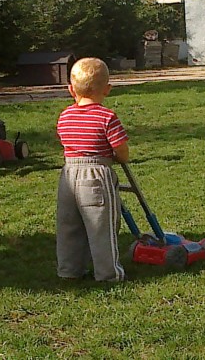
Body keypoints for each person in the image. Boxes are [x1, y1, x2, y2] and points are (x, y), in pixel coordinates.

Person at [56, 57, 129, 282]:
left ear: (71, 89)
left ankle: (69, 270)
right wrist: (119, 157)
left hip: (68, 176)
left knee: (69, 226)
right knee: (101, 225)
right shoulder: (107, 117)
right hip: (96, 175)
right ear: (107, 89)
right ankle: (108, 274)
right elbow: (121, 150)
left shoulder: (65, 116)